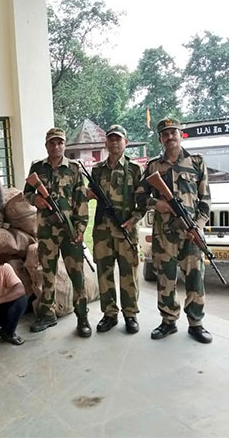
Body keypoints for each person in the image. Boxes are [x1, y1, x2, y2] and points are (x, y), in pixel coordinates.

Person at [136, 118, 213, 344]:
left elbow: (206, 200)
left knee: (195, 279)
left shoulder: (196, 162)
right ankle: (168, 321)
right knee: (165, 278)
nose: (170, 136)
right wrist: (156, 204)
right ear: (160, 138)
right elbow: (139, 196)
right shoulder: (152, 167)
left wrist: (197, 226)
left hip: (190, 233)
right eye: (165, 134)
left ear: (181, 134)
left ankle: (196, 323)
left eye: (173, 132)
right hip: (164, 234)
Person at [24, 127, 92, 338]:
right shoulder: (37, 167)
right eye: (52, 143)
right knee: (48, 274)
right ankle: (47, 314)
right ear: (47, 145)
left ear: (65, 145)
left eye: (60, 142)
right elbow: (26, 193)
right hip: (46, 231)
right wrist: (37, 200)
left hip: (70, 230)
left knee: (77, 275)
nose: (56, 146)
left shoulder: (73, 168)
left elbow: (81, 200)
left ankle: (82, 317)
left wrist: (80, 228)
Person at [89, 125, 144, 334]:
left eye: (118, 139)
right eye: (111, 139)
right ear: (106, 143)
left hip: (126, 231)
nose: (114, 142)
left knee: (128, 273)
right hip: (102, 230)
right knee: (104, 272)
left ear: (126, 142)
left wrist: (133, 220)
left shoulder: (135, 170)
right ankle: (109, 314)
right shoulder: (97, 170)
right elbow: (91, 193)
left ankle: (130, 314)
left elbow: (143, 202)